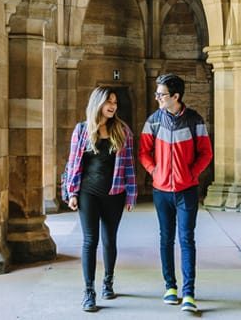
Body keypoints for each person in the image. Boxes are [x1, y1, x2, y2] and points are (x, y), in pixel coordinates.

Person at [139, 73, 213, 313]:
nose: (157, 97)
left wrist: (191, 174)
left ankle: (189, 292)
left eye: (161, 94)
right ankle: (170, 287)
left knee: (186, 239)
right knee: (165, 238)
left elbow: (206, 153)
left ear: (176, 96)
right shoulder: (153, 121)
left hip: (187, 191)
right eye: (157, 93)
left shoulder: (194, 120)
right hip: (161, 191)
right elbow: (144, 152)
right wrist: (155, 171)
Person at [63, 86, 137, 312]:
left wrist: (131, 194)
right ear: (98, 103)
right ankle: (89, 292)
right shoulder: (82, 130)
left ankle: (108, 282)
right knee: (89, 241)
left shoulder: (123, 130)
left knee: (109, 240)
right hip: (88, 193)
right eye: (109, 102)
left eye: (115, 102)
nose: (113, 106)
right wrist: (72, 192)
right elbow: (74, 163)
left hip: (115, 193)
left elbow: (129, 166)